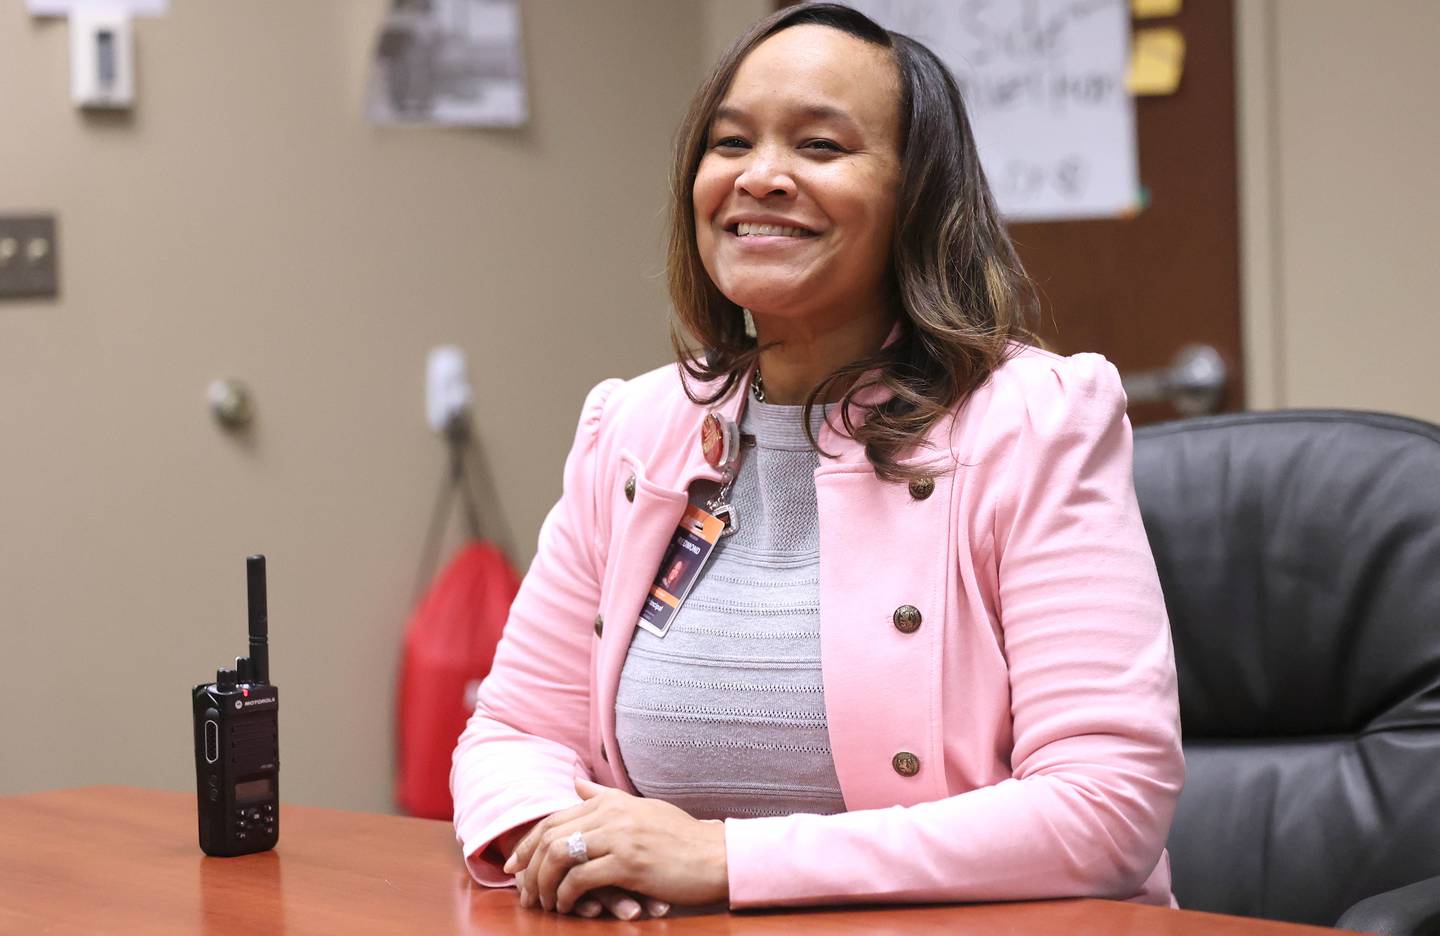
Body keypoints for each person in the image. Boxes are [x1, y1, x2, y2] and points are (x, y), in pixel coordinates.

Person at [451, 3, 1183, 922]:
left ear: (915, 199)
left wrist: (725, 860)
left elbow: (1106, 808)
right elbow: (516, 731)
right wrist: (577, 846)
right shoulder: (635, 426)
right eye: (729, 143)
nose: (760, 177)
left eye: (822, 147)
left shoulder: (1033, 422)